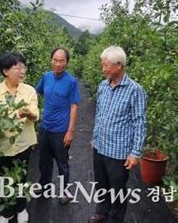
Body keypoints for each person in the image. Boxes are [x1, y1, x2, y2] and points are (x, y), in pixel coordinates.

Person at [89, 46, 147, 223]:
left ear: (119, 65)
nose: (103, 69)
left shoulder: (135, 90)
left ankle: (116, 218)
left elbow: (140, 122)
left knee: (117, 188)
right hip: (100, 147)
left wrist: (135, 153)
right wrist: (94, 136)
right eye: (102, 65)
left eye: (106, 65)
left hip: (118, 151)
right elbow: (99, 113)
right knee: (101, 183)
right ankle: (102, 210)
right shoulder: (103, 86)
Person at [0, 52, 39, 223]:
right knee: (3, 178)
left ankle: (21, 208)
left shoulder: (29, 90)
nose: (22, 71)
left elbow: (35, 114)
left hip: (22, 144)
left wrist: (29, 114)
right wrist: (17, 113)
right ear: (5, 71)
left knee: (21, 177)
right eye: (18, 67)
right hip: (0, 146)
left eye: (24, 66)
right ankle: (7, 211)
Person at [35, 47, 81, 205]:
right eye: (55, 59)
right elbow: (37, 93)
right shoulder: (46, 76)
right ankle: (44, 186)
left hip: (61, 130)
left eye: (62, 60)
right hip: (45, 127)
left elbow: (74, 106)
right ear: (51, 60)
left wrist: (70, 131)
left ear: (67, 63)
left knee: (62, 162)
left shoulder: (71, 81)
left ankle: (64, 192)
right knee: (44, 160)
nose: (58, 63)